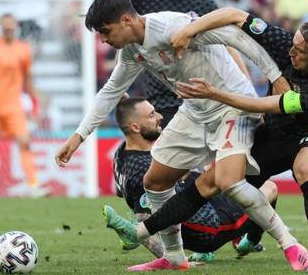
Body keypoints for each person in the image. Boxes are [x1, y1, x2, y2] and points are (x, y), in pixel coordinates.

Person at [55, 0, 308, 272]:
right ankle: (174, 256)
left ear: (126, 20)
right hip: (195, 111)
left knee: (229, 183)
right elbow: (111, 91)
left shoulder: (171, 27)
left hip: (232, 107)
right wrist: (78, 136)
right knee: (155, 181)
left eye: (105, 31)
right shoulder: (131, 50)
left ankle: (290, 244)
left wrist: (275, 78)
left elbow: (235, 37)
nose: (103, 39)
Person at [170, 8, 308, 271]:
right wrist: (190, 29)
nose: (291, 52)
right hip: (273, 135)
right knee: (227, 181)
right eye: (293, 44)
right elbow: (235, 15)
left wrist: (214, 93)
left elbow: (262, 105)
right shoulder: (287, 43)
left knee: (305, 169)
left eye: (300, 51)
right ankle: (232, 241)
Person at [110, 97, 274, 262]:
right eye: (152, 115)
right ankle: (251, 241)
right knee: (270, 189)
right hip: (209, 229)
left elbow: (119, 192)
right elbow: (145, 222)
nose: (160, 116)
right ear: (136, 127)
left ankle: (248, 241)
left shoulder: (121, 154)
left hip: (202, 208)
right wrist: (176, 260)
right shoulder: (144, 172)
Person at [131, 0, 247, 128]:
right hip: (155, 102)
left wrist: (247, 89)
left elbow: (227, 46)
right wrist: (121, 89)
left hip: (195, 101)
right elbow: (127, 42)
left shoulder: (204, 4)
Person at [0, 13, 46, 198]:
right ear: (1, 27)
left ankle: (34, 186)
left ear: (16, 27)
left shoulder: (24, 50)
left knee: (24, 143)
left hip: (14, 107)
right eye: (5, 27)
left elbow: (28, 79)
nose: (9, 29)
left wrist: (35, 102)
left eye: (11, 26)